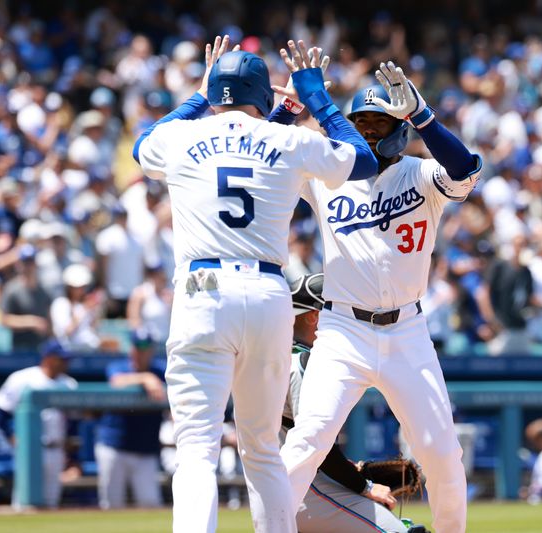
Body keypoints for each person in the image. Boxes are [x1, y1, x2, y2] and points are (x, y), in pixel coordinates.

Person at [133, 36, 376, 533]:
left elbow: (143, 146)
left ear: (214, 92)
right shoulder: (288, 140)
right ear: (264, 96)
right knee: (263, 449)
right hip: (268, 296)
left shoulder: (183, 136)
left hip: (203, 292)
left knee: (197, 449)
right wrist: (317, 100)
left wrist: (199, 95)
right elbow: (363, 162)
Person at [280, 60, 481, 533]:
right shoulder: (329, 172)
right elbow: (271, 155)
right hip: (342, 330)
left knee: (441, 453)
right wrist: (290, 108)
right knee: (307, 441)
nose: (369, 130)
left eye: (380, 121)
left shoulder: (421, 173)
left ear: (399, 126)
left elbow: (466, 170)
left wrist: (424, 117)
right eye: (361, 122)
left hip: (407, 331)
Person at [284, 273, 426, 533]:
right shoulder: (304, 364)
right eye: (333, 309)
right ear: (314, 316)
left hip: (289, 489)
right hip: (309, 493)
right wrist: (364, 486)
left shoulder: (275, 361)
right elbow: (315, 446)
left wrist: (350, 470)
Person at [0, 339, 78, 508]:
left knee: (52, 504)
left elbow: (73, 422)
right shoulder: (23, 378)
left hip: (56, 449)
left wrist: (72, 457)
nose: (66, 363)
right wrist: (11, 436)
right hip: (30, 449)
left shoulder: (68, 384)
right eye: (62, 359)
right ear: (49, 358)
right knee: (25, 504)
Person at [95, 327, 165, 509]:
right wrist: (145, 378)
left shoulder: (160, 369)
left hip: (145, 450)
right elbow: (116, 382)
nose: (140, 352)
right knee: (111, 505)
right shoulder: (118, 366)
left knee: (150, 504)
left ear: (151, 350)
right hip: (114, 447)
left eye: (145, 348)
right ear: (131, 348)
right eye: (137, 347)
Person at [0, 244, 52, 351]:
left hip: (40, 348)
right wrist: (32, 322)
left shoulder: (44, 291)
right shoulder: (12, 289)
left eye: (30, 262)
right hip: (19, 349)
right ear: (19, 264)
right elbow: (5, 320)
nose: (28, 266)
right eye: (25, 262)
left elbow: (49, 322)